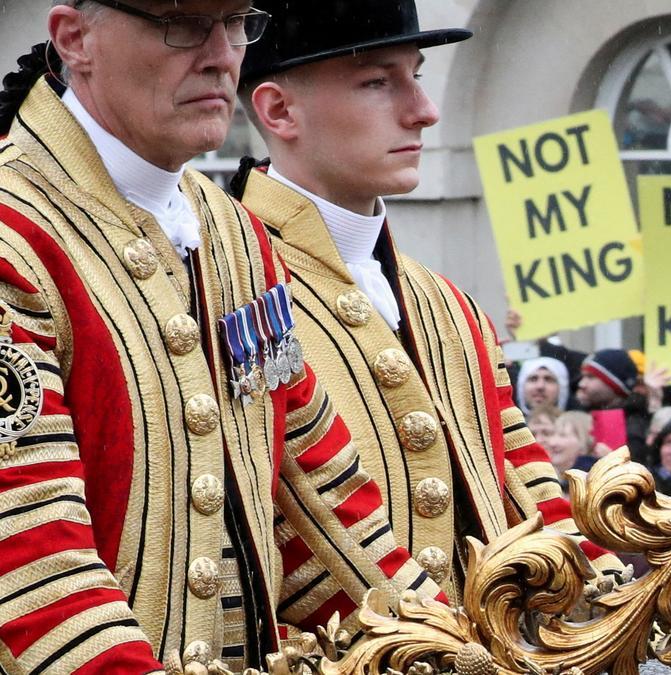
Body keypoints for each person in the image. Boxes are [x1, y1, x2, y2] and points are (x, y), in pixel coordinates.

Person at [0, 2, 446, 672]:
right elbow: (33, 555)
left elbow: (322, 510)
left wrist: (445, 646)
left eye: (238, 22)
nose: (221, 55)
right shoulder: (14, 233)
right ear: (75, 38)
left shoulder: (235, 236)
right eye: (181, 24)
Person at [231, 0, 625, 606]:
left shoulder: (450, 306)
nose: (425, 111)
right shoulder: (224, 294)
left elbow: (531, 494)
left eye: (414, 75)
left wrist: (622, 605)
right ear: (280, 110)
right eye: (377, 83)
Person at [575, 348, 651, 465]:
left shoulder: (634, 423)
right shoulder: (583, 413)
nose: (581, 384)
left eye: (590, 377)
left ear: (614, 384)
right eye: (583, 377)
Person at [545, 411, 598, 483]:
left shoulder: (593, 481)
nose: (552, 443)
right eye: (551, 434)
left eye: (562, 435)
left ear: (585, 441)